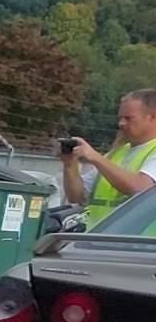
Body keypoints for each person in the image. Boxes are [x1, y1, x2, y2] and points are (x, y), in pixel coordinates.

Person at [61, 89, 156, 227]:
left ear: (152, 118)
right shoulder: (116, 153)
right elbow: (76, 196)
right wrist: (70, 165)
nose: (121, 124)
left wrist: (96, 157)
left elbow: (140, 189)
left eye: (128, 118)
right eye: (120, 118)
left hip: (136, 243)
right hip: (99, 240)